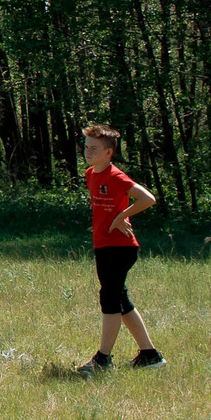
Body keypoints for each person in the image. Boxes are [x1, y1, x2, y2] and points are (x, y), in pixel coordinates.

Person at [78, 123, 165, 374]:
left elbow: (148, 198)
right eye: (86, 147)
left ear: (109, 153)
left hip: (119, 247)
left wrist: (121, 217)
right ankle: (150, 355)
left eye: (94, 148)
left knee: (109, 299)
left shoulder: (116, 176)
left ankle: (102, 359)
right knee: (120, 300)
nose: (88, 152)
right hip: (104, 245)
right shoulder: (90, 174)